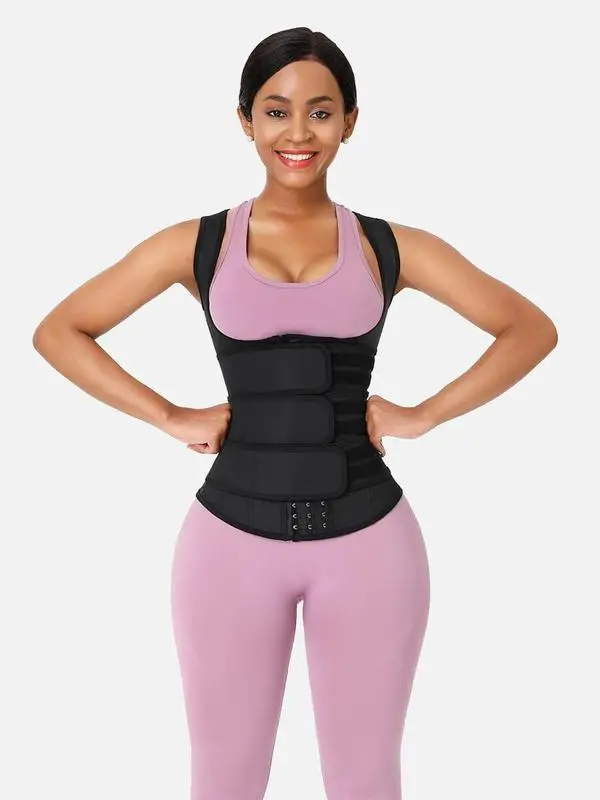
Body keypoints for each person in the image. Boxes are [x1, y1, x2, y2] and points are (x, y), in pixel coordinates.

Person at [33, 25, 557, 800]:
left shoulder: (388, 245)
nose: (298, 133)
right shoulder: (198, 244)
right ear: (245, 120)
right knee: (225, 782)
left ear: (350, 120)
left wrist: (425, 414)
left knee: (365, 781)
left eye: (321, 111)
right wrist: (168, 414)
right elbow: (60, 331)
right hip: (226, 549)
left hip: (371, 546)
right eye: (276, 111)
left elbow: (529, 328)